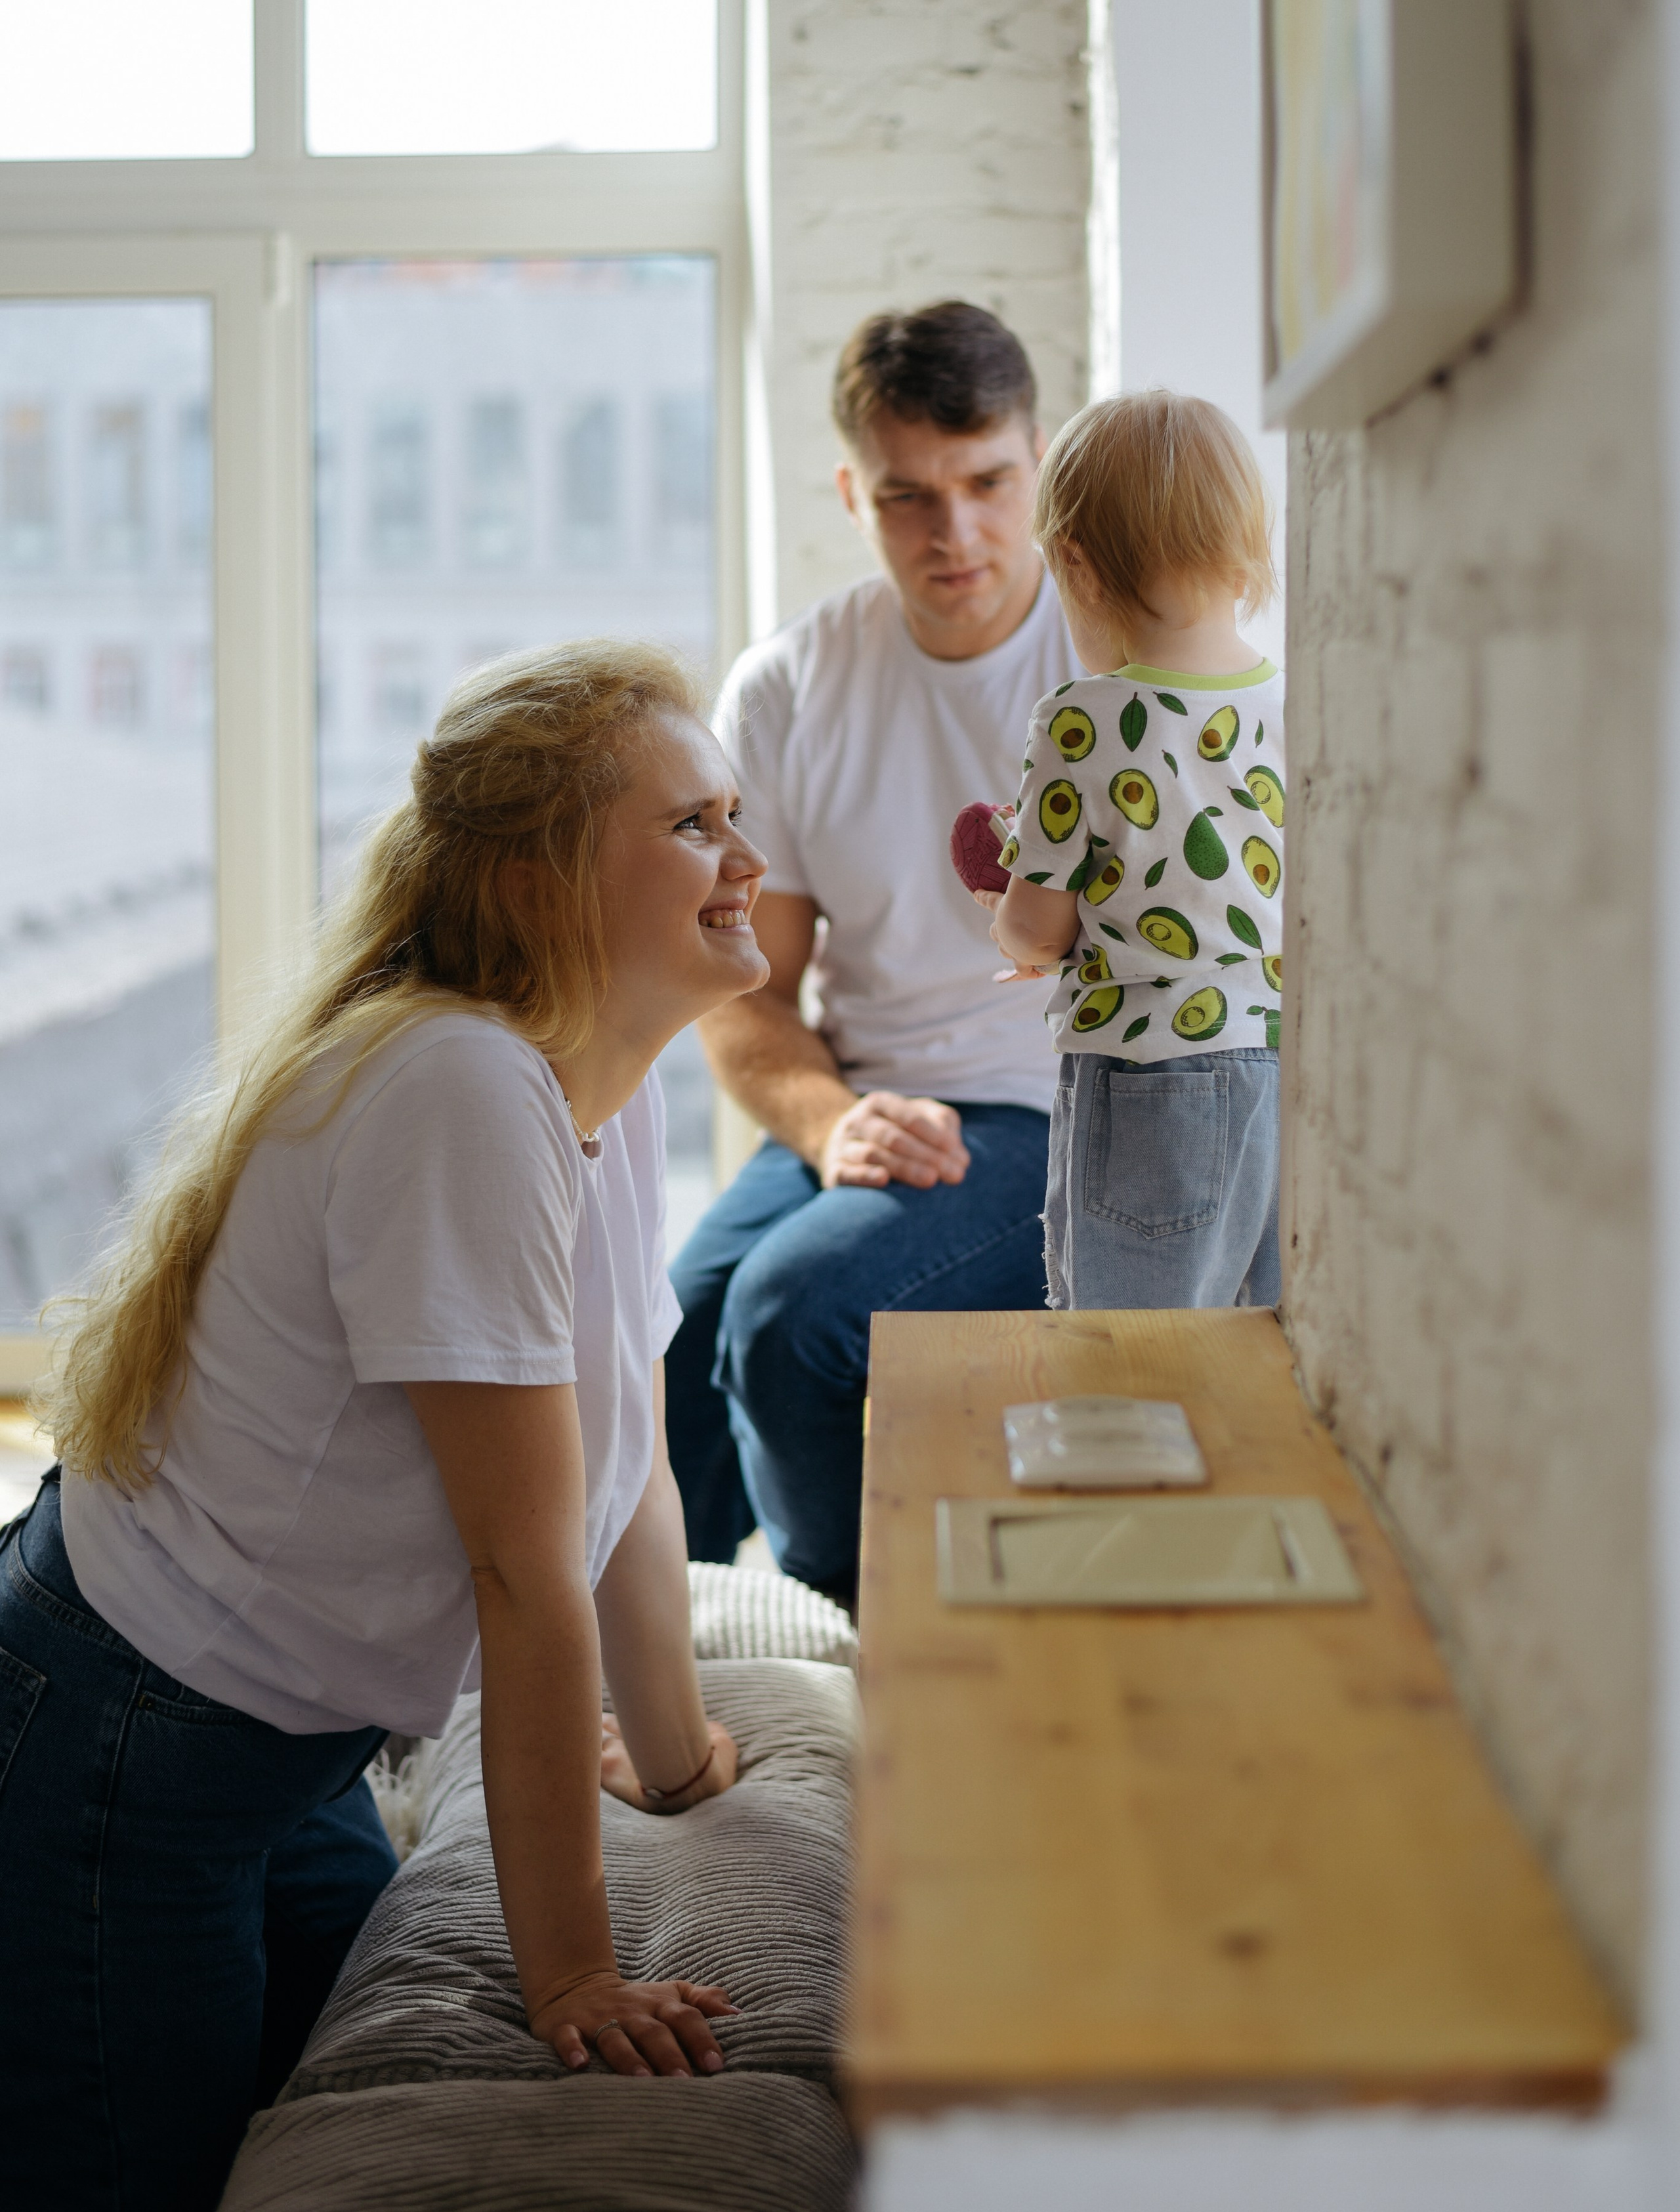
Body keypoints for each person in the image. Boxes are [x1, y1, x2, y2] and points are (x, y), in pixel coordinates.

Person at [0, 642, 774, 2212]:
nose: (748, 860)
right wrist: (570, 1978)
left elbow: (621, 1485)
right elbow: (522, 1564)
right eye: (694, 824)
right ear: (546, 879)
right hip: (126, 1747)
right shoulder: (460, 1092)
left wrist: (685, 1763)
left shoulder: (596, 1095)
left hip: (285, 1755)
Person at [666, 301, 1081, 1607]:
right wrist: (834, 1125)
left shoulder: (1113, 655)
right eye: (908, 497)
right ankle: (659, 1668)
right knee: (666, 1330)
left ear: (1037, 464)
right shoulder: (790, 684)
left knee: (792, 1313)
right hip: (872, 1089)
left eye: (986, 484)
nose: (952, 532)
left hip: (1055, 1110)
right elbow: (743, 996)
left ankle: (842, 1631)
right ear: (852, 491)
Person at [980, 390, 1284, 1309]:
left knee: (1123, 1356)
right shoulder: (1292, 705)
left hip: (1148, 1083)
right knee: (1255, 1354)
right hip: (1281, 1071)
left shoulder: (1086, 719)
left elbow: (1036, 925)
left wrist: (1016, 935)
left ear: (1075, 562)